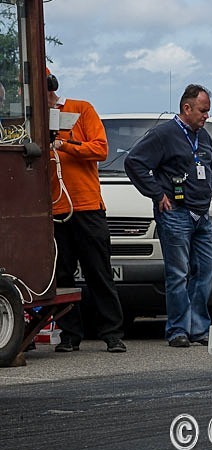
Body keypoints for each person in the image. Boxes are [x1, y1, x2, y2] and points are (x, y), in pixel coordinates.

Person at [124, 84, 212, 348]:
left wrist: (209, 190)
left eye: (208, 111)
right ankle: (178, 329)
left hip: (201, 213)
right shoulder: (163, 134)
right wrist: (156, 194)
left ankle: (199, 328)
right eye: (202, 110)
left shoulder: (205, 137)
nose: (206, 116)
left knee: (207, 269)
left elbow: (210, 164)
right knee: (178, 273)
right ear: (186, 108)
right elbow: (135, 163)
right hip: (175, 213)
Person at [47, 68, 126, 354]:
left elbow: (101, 149)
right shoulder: (33, 121)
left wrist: (65, 145)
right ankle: (70, 335)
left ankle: (112, 334)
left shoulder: (81, 110)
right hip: (56, 209)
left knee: (99, 272)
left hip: (87, 206)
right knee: (63, 274)